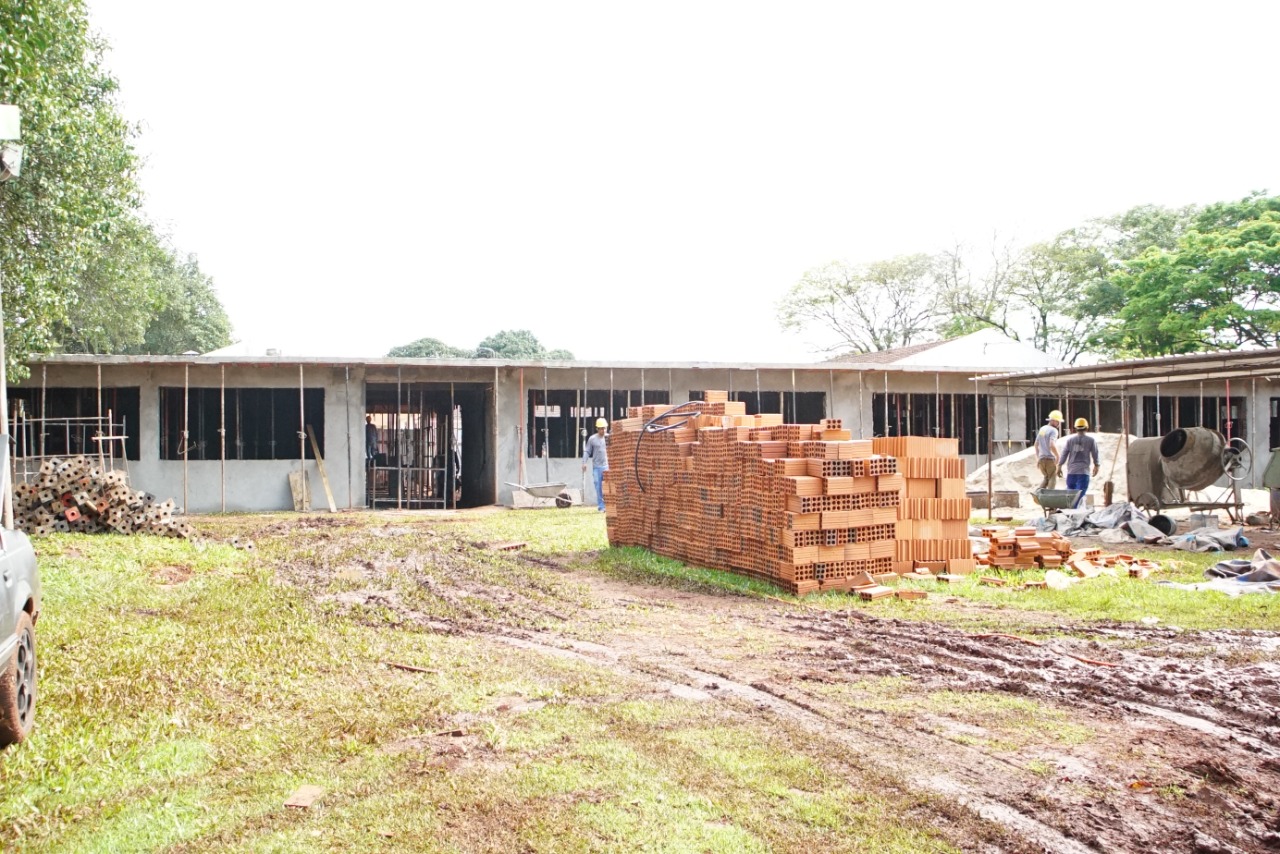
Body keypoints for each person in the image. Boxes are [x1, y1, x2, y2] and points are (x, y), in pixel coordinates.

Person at [1058, 417, 1100, 509]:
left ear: (1075, 428)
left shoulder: (1070, 440)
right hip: (1083, 472)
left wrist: (1059, 466)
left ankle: (1070, 513)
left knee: (1070, 495)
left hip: (1071, 472)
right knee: (1079, 496)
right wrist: (1097, 465)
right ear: (1087, 428)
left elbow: (1064, 454)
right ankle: (1075, 514)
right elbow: (1095, 453)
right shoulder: (1091, 440)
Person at [582, 417, 609, 512]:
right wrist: (584, 462)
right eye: (601, 428)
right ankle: (601, 507)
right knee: (598, 487)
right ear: (597, 429)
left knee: (608, 486)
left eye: (605, 428)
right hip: (597, 467)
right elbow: (587, 451)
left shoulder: (609, 438)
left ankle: (609, 505)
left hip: (607, 466)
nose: (603, 430)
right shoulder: (592, 439)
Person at [1035, 410, 1064, 491]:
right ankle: (1050, 496)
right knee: (1052, 478)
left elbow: (1036, 444)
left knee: (1046, 477)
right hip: (1050, 459)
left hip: (1041, 459)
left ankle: (1038, 493)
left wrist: (1038, 458)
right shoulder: (1054, 431)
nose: (1059, 424)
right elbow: (1051, 445)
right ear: (1054, 421)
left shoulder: (1042, 429)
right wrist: (1057, 456)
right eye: (1058, 421)